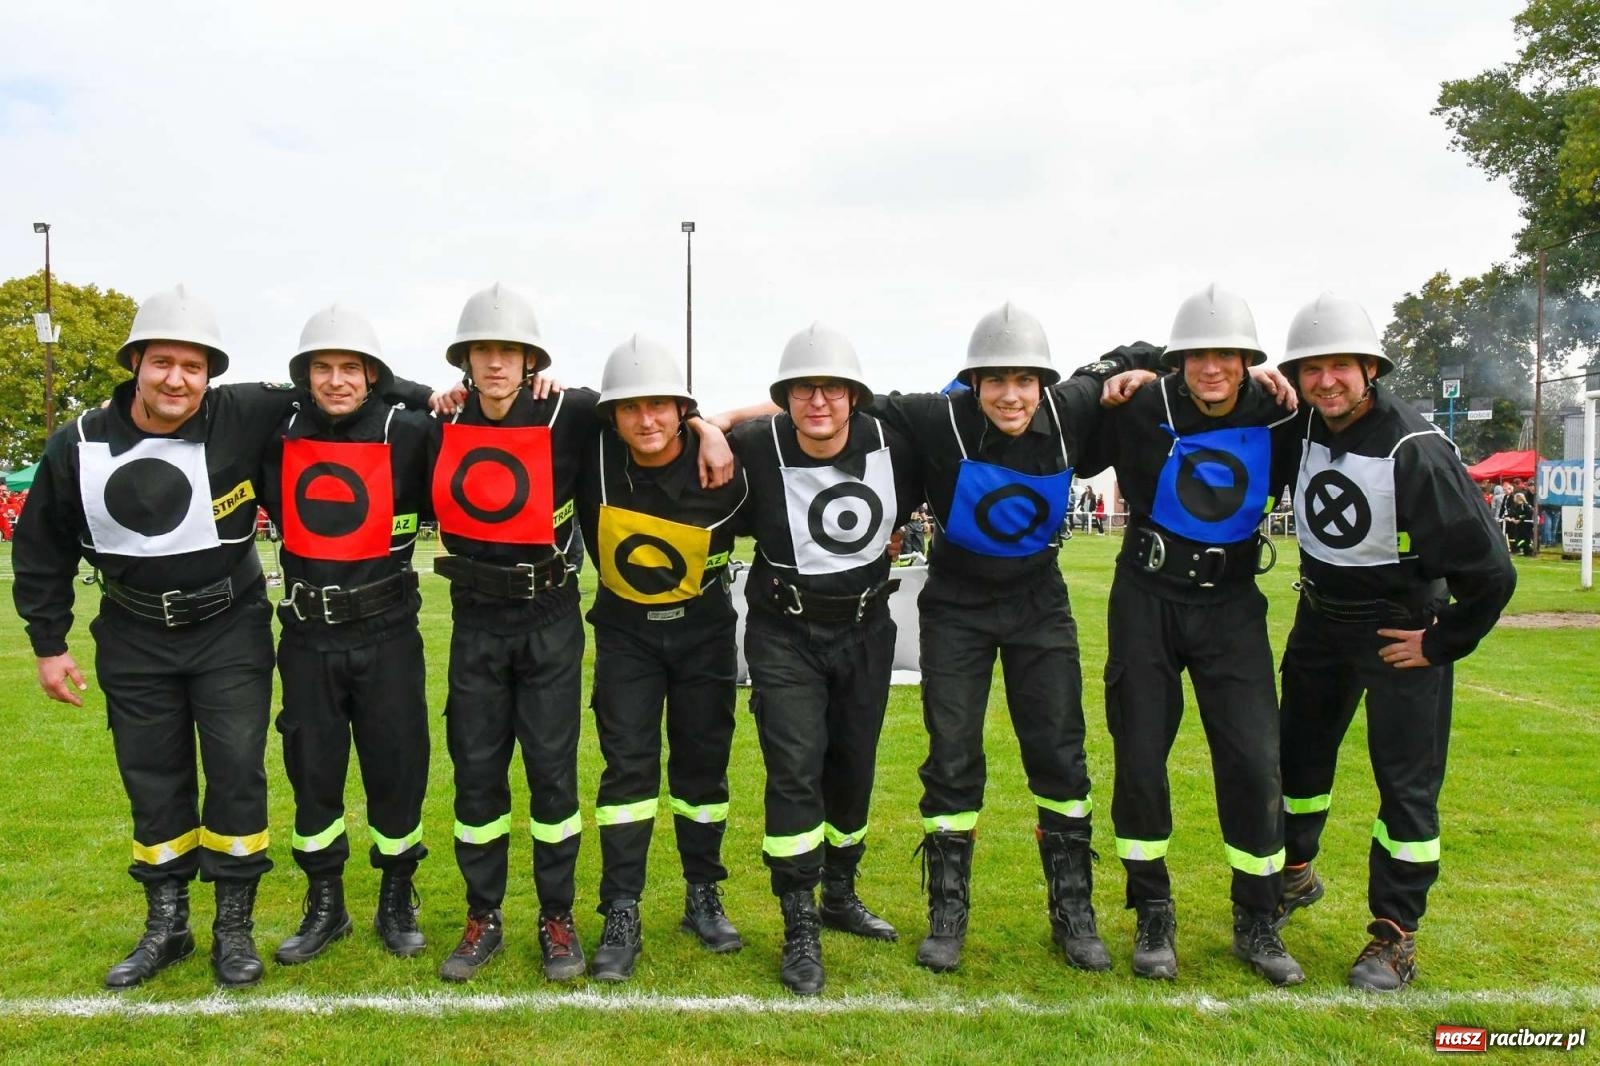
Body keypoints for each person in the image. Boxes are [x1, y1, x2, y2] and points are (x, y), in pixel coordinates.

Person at [10, 285, 433, 990]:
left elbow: (352, 388)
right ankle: (167, 924)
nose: (177, 380)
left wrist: (432, 392)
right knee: (152, 777)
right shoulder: (77, 442)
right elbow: (41, 546)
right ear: (135, 363)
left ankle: (233, 927)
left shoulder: (241, 411)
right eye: (163, 363)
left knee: (238, 770)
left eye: (193, 366)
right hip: (133, 633)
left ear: (211, 374)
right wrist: (48, 643)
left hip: (229, 628)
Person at [430, 284, 730, 983]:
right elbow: (370, 400)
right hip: (475, 621)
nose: (496, 364)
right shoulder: (438, 418)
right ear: (465, 361)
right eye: (483, 352)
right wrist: (434, 393)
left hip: (550, 618)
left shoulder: (570, 414)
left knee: (552, 773)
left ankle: (557, 916)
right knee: (476, 775)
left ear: (531, 361)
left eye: (510, 352)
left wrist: (708, 424)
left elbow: (648, 409)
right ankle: (483, 916)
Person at [863, 306, 1163, 974]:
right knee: (952, 757)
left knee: (1060, 754)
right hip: (955, 607)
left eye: (1024, 380)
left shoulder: (1072, 405)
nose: (1010, 396)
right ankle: (947, 915)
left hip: (1039, 606)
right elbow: (840, 398)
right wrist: (718, 423)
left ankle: (1074, 913)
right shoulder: (937, 415)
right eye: (995, 381)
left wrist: (1146, 372)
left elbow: (1157, 351)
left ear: (1043, 383)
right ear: (973, 383)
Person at [1273, 293, 1516, 992]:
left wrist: (1440, 644)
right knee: (1295, 763)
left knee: (1406, 788)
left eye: (1340, 367)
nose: (1326, 382)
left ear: (1370, 369)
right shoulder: (1302, 423)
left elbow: (1492, 573)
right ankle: (1294, 874)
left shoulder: (1418, 450)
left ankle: (1395, 934)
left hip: (1398, 629)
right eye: (1311, 369)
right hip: (1319, 622)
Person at [1076, 286, 1304, 986]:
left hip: (1231, 603)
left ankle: (1258, 916)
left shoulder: (1281, 410)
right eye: (1197, 355)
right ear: (1178, 360)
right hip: (1146, 598)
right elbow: (1074, 427)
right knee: (1141, 756)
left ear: (1248, 361)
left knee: (1254, 761)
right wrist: (1125, 365)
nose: (1212, 368)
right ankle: (1152, 911)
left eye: (1227, 355)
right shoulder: (1141, 404)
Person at [714, 324, 920, 995]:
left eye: (832, 389)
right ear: (784, 398)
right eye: (803, 390)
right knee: (794, 771)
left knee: (853, 768)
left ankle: (840, 892)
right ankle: (798, 916)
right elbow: (684, 431)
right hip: (785, 634)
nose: (819, 402)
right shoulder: (756, 444)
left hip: (867, 630)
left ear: (855, 395)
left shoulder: (894, 439)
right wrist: (716, 423)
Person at [258, 305, 434, 966]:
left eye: (352, 368)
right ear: (304, 375)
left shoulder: (408, 431)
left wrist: (409, 389)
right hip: (308, 635)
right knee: (313, 771)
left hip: (388, 633)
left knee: (397, 766)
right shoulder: (276, 433)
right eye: (323, 368)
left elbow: (479, 420)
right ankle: (325, 903)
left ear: (373, 375)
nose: (337, 381)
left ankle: (397, 895)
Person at [575, 335, 749, 983]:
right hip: (627, 638)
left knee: (703, 769)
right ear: (611, 416)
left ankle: (703, 895)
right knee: (628, 773)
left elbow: (794, 406)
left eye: (660, 406)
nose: (645, 420)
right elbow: (516, 395)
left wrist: (717, 425)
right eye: (630, 408)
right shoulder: (591, 451)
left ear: (681, 409)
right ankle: (621, 908)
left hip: (705, 634)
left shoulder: (726, 456)